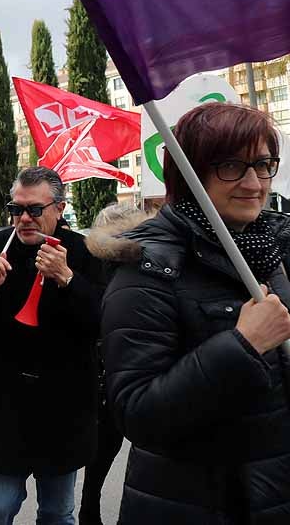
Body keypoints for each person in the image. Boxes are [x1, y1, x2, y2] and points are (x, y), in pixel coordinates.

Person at [100, 103, 290, 523]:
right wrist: (243, 346)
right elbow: (137, 412)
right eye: (231, 166)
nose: (253, 182)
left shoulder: (271, 252)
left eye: (263, 164)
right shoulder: (147, 268)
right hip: (192, 504)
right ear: (190, 174)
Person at [0, 166, 104, 525]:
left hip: (64, 409)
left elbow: (105, 321)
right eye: (16, 209)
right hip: (4, 406)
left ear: (59, 209)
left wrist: (68, 279)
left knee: (56, 512)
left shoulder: (84, 253)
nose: (24, 218)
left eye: (34, 209)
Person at [79, 203, 146, 525]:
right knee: (111, 448)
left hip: (121, 372)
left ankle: (90, 507)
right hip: (114, 374)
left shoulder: (144, 262)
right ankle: (90, 508)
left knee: (114, 450)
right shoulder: (97, 267)